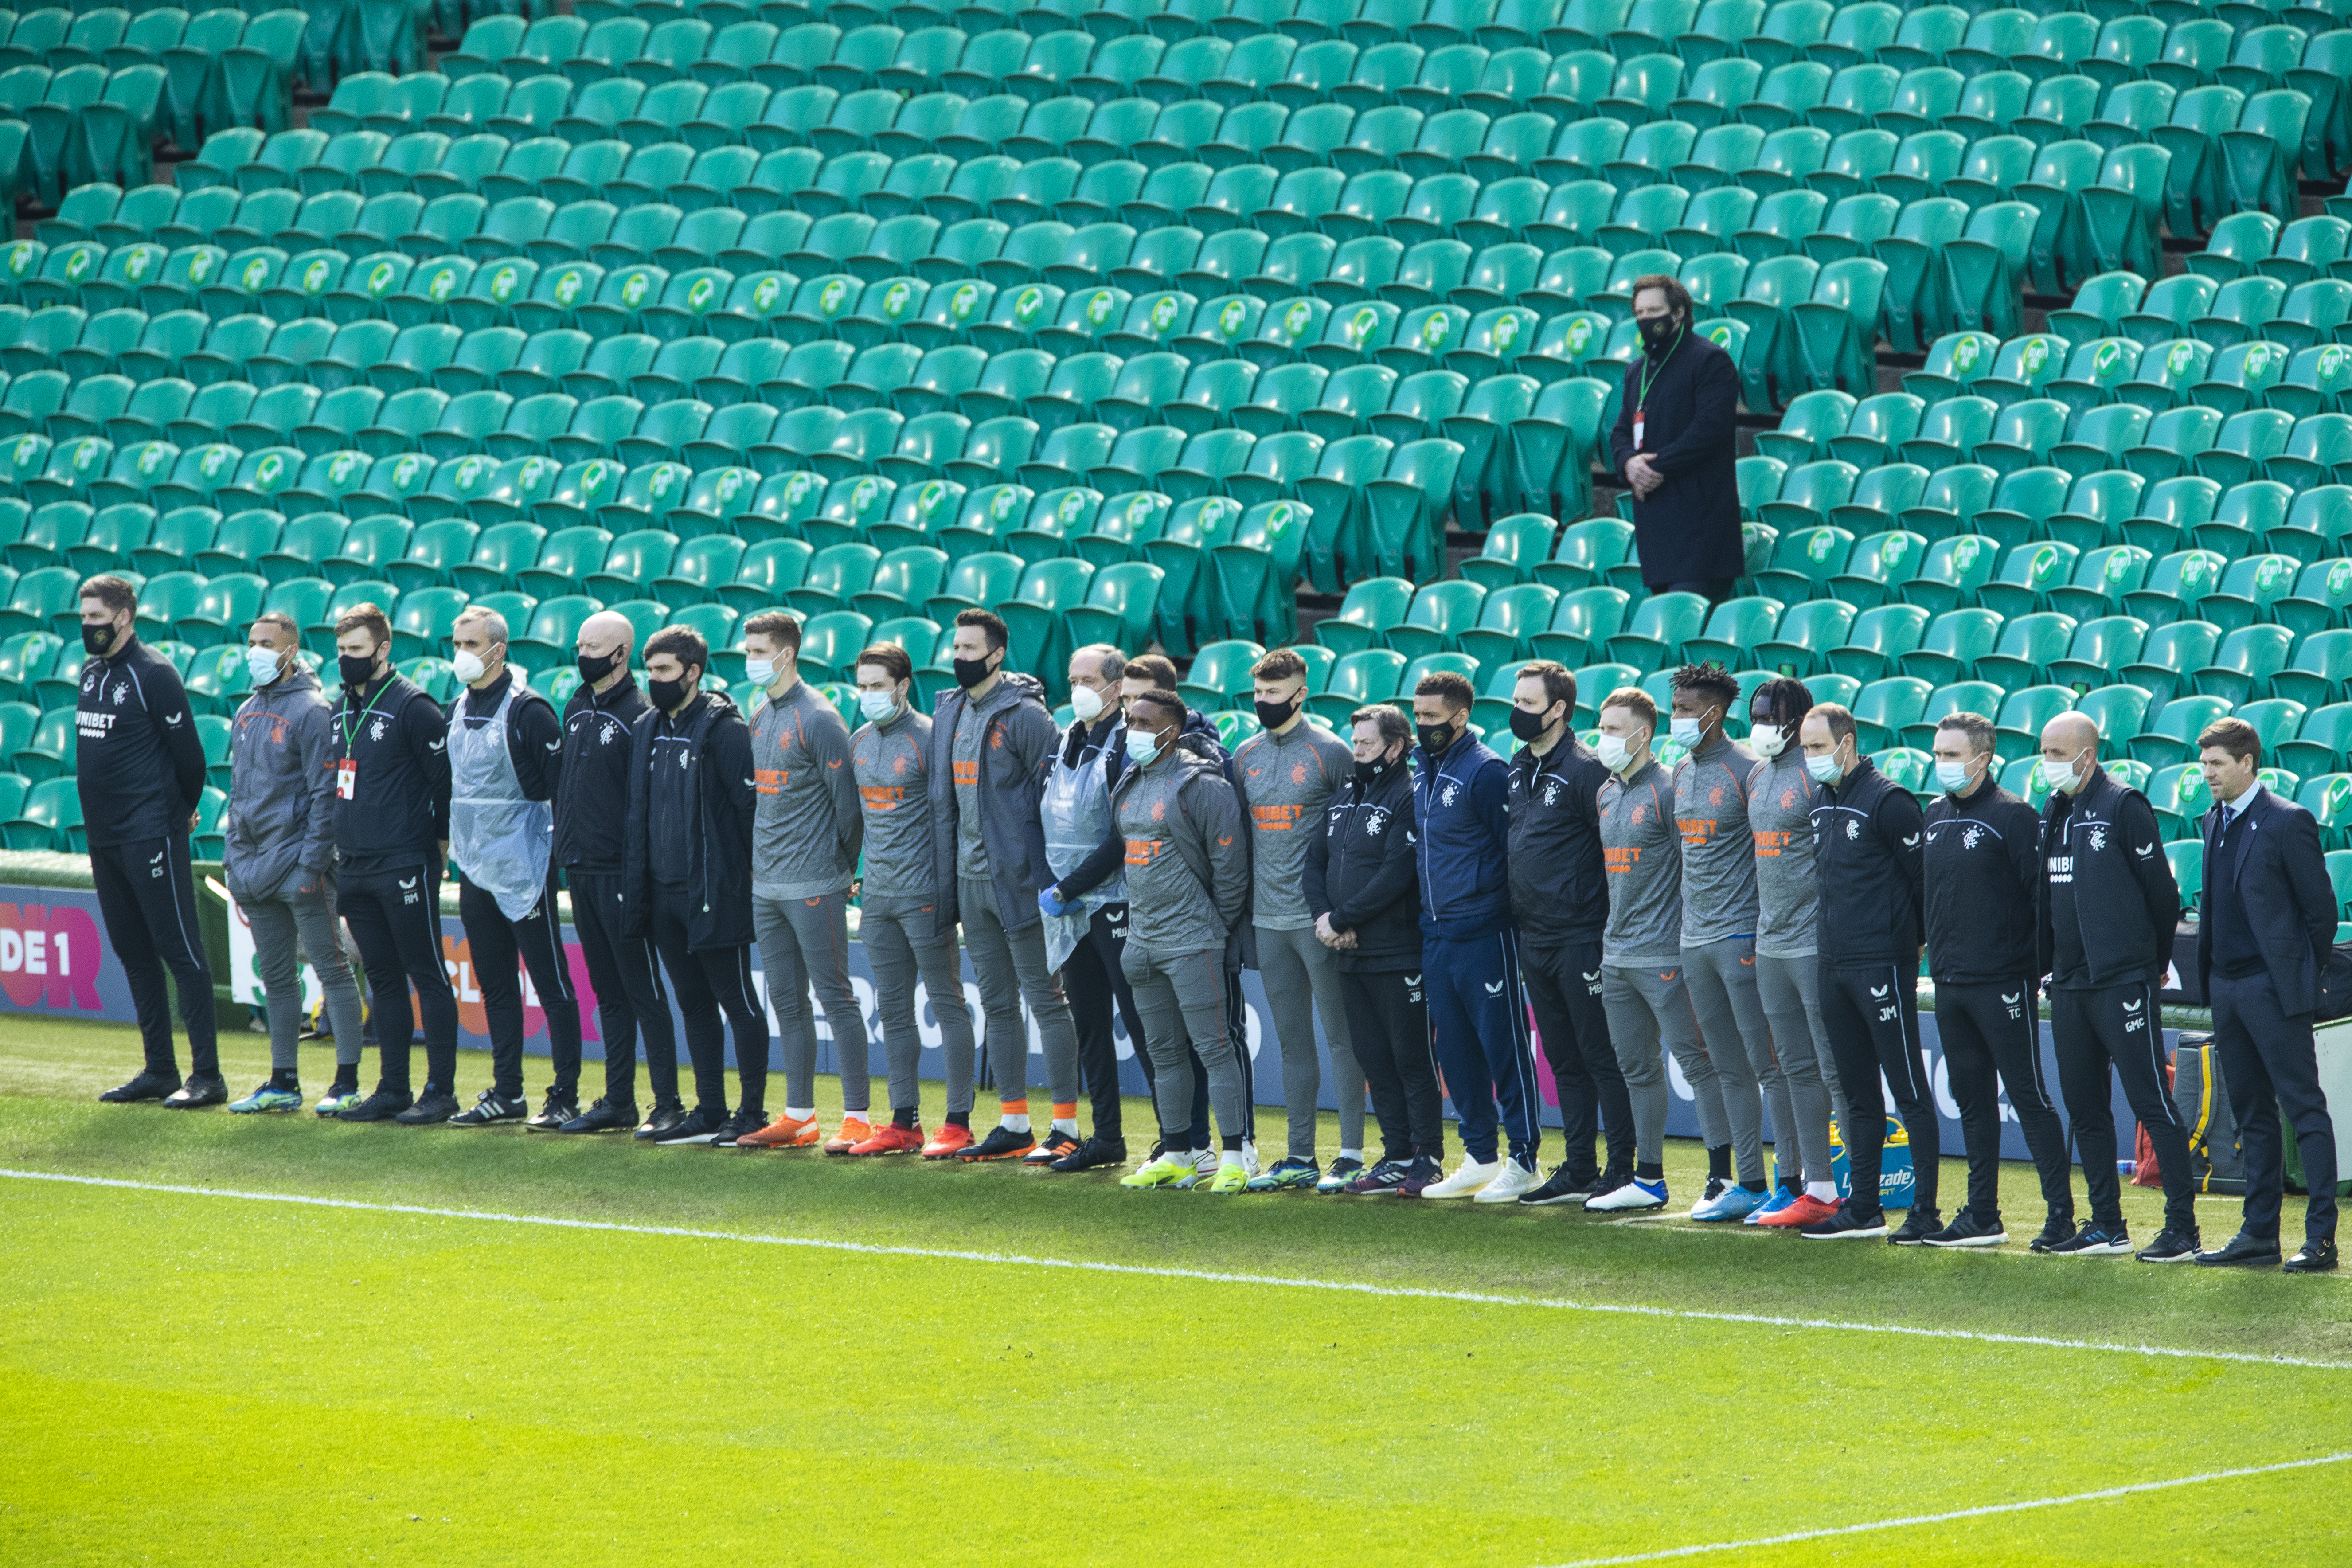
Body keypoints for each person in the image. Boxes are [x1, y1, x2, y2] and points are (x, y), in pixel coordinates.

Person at [2034, 710, 2200, 1263]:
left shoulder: (2123, 805)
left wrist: (2149, 964)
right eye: (2043, 752)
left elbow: (2161, 896)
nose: (2047, 764)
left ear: (2087, 754)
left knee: (2151, 1102)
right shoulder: (2052, 811)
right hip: (2069, 984)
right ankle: (2106, 1223)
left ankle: (2182, 1228)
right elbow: (2043, 900)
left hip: (2122, 980)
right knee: (2083, 1108)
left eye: (2056, 754)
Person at [927, 608, 1082, 1162]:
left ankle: (1064, 1126)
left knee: (1046, 1000)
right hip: (969, 882)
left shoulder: (1028, 717)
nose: (959, 657)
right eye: (956, 647)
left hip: (1019, 882)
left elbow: (1054, 802)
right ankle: (1014, 1125)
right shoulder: (947, 709)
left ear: (996, 655)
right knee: (997, 1005)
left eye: (970, 649)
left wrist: (1045, 876)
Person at [1922, 712, 2077, 1250]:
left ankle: (2060, 1216)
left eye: (1950, 755)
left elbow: (2041, 903)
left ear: (1982, 758)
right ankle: (1982, 1214)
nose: (1940, 764)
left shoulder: (2014, 816)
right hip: (1948, 983)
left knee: (2028, 1097)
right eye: (1937, 754)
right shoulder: (1933, 816)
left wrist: (2032, 969)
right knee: (1972, 1101)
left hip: (2002, 985)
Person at [2192, 717, 2339, 1273]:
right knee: (2251, 1113)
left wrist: (2296, 973)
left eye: (2216, 764)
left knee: (2303, 1109)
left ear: (2247, 763)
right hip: (2226, 988)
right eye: (2203, 764)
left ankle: (2320, 1240)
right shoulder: (2212, 820)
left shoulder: (2286, 821)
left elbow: (2319, 912)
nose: (2206, 773)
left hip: (2272, 989)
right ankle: (2258, 1235)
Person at [76, 576, 221, 1109]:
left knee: (180, 952)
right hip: (105, 838)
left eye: (97, 616)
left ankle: (208, 1075)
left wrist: (176, 814)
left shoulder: (154, 674)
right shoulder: (91, 673)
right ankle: (160, 1068)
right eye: (84, 616)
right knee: (134, 954)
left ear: (125, 616)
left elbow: (192, 758)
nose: (88, 625)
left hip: (150, 835)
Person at [1589, 687, 1735, 1213]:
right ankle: (1648, 1179)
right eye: (1600, 728)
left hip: (1667, 955)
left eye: (1610, 730)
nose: (1601, 739)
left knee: (1698, 1066)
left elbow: (1694, 871)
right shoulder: (1604, 793)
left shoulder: (1669, 790)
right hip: (1616, 955)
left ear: (1642, 734)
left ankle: (1720, 1177)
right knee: (1636, 1069)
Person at [438, 606, 585, 1129]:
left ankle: (565, 1095)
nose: (461, 654)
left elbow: (561, 790)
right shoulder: (453, 708)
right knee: (495, 987)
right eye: (456, 644)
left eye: (471, 644)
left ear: (499, 651)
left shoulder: (531, 712)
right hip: (474, 867)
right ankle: (508, 1093)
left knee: (552, 985)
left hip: (525, 865)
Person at [620, 625, 766, 1147]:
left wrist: (751, 881)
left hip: (713, 889)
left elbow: (748, 811)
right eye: (650, 670)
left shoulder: (725, 730)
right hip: (661, 893)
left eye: (663, 671)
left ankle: (751, 1112)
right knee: (693, 1004)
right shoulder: (646, 728)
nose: (653, 680)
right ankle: (709, 1109)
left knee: (737, 1000)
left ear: (693, 672)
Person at [732, 611, 872, 1153]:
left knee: (836, 999)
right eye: (747, 650)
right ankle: (800, 1117)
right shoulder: (761, 712)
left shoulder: (819, 718)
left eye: (758, 649)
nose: (750, 660)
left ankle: (857, 1117)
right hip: (765, 886)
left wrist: (839, 867)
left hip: (815, 882)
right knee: (786, 1002)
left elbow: (849, 809)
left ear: (786, 653)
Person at [1798, 702, 1940, 1242]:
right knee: (1857, 1095)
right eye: (1805, 748)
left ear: (1847, 743)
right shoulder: (1820, 801)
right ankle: (1862, 1207)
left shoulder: (1889, 801)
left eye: (1816, 747)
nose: (1809, 758)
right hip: (1830, 964)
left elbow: (1924, 882)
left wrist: (1916, 944)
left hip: (1882, 965)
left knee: (1908, 1091)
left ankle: (1924, 1212)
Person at [220, 611, 366, 1115]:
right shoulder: (244, 712)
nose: (256, 650)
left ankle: (346, 1084)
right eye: (253, 640)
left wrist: (310, 866)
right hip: (254, 870)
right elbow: (240, 795)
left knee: (333, 969)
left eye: (267, 643)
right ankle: (283, 1083)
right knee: (277, 978)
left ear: (291, 652)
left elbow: (326, 797)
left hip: (301, 870)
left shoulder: (312, 711)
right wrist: (234, 860)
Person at [1230, 648, 1365, 1193]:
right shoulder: (1243, 755)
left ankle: (1352, 1154)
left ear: (1300, 692)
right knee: (1291, 1043)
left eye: (1274, 692)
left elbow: (1355, 836)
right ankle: (1300, 1155)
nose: (1264, 702)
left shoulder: (1331, 753)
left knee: (1341, 1038)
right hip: (1266, 920)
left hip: (1319, 922)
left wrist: (1342, 912)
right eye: (1258, 693)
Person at [1502, 661, 1633, 1207]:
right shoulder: (1515, 767)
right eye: (1515, 701)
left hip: (1581, 935)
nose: (1516, 713)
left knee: (1600, 1055)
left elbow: (1610, 852)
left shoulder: (1584, 770)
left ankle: (1623, 1168)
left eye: (1528, 704)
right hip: (1530, 936)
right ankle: (1579, 1165)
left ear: (1557, 710)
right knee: (1561, 1058)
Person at [1113, 688, 1255, 1192]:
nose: (1131, 728)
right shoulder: (1131, 778)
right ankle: (1177, 1154)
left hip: (1192, 941)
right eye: (1129, 718)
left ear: (1170, 732)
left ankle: (1235, 1157)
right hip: (1142, 940)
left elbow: (1231, 871)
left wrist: (1209, 926)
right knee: (1164, 1055)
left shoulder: (1202, 785)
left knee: (1215, 1050)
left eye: (1142, 721)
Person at [1409, 669, 1542, 1202]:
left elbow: (1511, 853)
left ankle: (1525, 1159)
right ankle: (1479, 1155)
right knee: (1456, 1054)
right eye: (1417, 716)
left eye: (1432, 718)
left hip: (1484, 932)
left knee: (1503, 1047)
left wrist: (1494, 912)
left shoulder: (1485, 772)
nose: (1422, 726)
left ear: (1460, 717)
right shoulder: (1421, 770)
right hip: (1435, 933)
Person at [325, 603, 460, 1126]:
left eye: (356, 650)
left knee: (426, 974)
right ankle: (392, 1088)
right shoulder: (341, 708)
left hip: (404, 861)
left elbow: (444, 783)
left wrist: (441, 847)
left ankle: (441, 1091)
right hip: (354, 865)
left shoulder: (415, 707)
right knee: (381, 979)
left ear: (383, 650)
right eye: (341, 650)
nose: (346, 660)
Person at [549, 609, 682, 1138]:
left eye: (593, 645)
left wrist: (637, 877)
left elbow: (644, 805)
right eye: (579, 642)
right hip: (579, 868)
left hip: (622, 875)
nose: (583, 653)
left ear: (622, 653)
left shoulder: (642, 712)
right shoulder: (576, 706)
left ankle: (668, 1102)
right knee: (606, 992)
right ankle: (619, 1100)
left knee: (643, 992)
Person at [844, 641, 979, 1157]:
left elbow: (955, 819)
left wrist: (950, 891)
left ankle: (959, 1122)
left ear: (902, 686)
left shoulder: (930, 738)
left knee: (947, 1005)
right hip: (875, 898)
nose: (869, 695)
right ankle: (904, 1123)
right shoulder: (858, 741)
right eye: (863, 686)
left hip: (925, 894)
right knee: (893, 1011)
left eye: (878, 686)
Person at [1305, 704, 1443, 1195]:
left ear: (1395, 747)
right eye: (1355, 742)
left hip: (1398, 950)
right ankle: (1396, 1153)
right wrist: (1324, 920)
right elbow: (1313, 865)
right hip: (1348, 952)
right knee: (1372, 1057)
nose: (1356, 751)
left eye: (1365, 744)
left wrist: (1340, 920)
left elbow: (1395, 874)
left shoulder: (1409, 795)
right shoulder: (1343, 797)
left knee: (1410, 1057)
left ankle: (1427, 1156)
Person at [1665, 662, 1775, 1220]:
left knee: (1769, 1067)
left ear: (1714, 712)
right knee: (1727, 1067)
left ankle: (1797, 1184)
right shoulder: (1680, 771)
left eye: (1685, 710)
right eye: (1674, 708)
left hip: (1740, 936)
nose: (1676, 718)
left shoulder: (1747, 770)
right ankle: (1748, 1184)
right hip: (1693, 940)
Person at [1033, 642, 1143, 1172]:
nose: (1077, 689)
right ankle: (1107, 1138)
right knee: (1091, 1026)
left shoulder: (1126, 744)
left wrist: (1067, 887)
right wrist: (1048, 884)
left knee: (1144, 1024)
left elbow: (1125, 832)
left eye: (1087, 679)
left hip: (1113, 902)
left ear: (1116, 687)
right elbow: (1037, 817)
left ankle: (1178, 1140)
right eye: (1072, 678)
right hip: (1068, 906)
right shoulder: (1061, 740)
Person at [1742, 676, 1845, 1227]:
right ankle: (1820, 1190)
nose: (1760, 724)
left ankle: (1864, 1193)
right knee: (1796, 1069)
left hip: (1813, 944)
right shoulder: (1758, 776)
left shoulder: (1818, 776)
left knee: (1834, 1069)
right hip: (1770, 943)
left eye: (1770, 715)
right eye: (1755, 714)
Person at [1606, 274, 1742, 602]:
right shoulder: (1637, 371)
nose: (1645, 320)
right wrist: (1629, 463)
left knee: (1699, 645)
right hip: (1658, 533)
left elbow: (1709, 429)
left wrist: (1653, 468)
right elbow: (1621, 432)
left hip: (1701, 531)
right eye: (1639, 313)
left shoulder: (1709, 360)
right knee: (1672, 638)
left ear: (1679, 313)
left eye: (1654, 310)